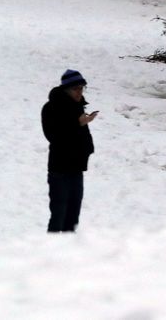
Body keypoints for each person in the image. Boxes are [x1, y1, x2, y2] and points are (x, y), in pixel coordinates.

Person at [40, 68, 96, 232]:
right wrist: (78, 123)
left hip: (76, 169)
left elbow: (81, 137)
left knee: (72, 218)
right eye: (75, 89)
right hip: (60, 170)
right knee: (58, 216)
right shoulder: (51, 108)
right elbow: (54, 136)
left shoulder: (78, 107)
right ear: (66, 89)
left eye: (82, 88)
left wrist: (88, 148)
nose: (79, 92)